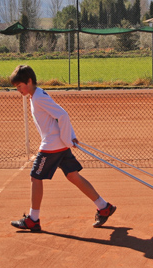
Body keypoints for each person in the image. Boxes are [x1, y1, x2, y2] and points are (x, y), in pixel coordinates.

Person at [9, 64, 116, 232]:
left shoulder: (38, 97)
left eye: (19, 86)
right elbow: (59, 117)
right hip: (58, 143)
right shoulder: (36, 95)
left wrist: (67, 139)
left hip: (52, 145)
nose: (18, 90)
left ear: (29, 81)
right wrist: (68, 138)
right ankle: (103, 207)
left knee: (36, 177)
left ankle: (33, 219)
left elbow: (62, 115)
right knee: (73, 176)